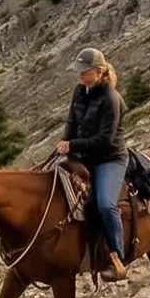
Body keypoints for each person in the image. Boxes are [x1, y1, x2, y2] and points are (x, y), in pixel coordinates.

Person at [57, 47, 128, 280]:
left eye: (84, 72)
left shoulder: (111, 98)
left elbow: (104, 140)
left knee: (106, 204)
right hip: (83, 155)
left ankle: (117, 256)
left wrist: (73, 145)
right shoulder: (80, 91)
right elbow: (72, 121)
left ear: (98, 72)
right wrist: (65, 143)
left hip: (109, 158)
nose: (80, 77)